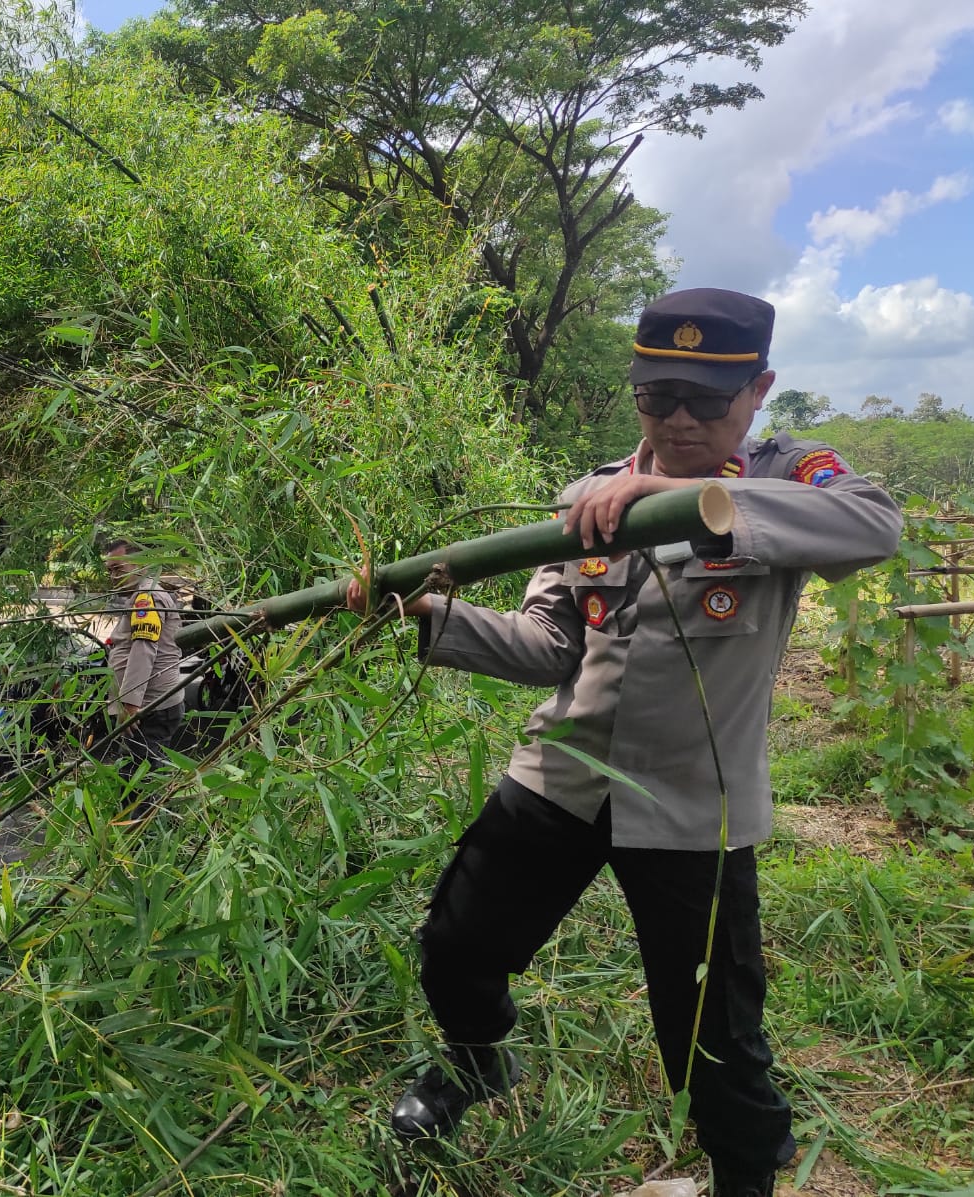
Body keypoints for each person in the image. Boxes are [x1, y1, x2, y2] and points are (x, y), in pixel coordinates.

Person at [345, 288, 902, 1197]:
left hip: (693, 803)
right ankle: (478, 1065)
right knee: (456, 945)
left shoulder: (793, 475)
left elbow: (874, 526)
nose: (679, 419)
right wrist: (429, 613)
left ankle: (741, 1178)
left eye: (705, 400)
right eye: (657, 397)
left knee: (714, 1033)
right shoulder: (587, 500)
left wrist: (679, 495)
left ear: (757, 390)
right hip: (561, 775)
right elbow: (551, 647)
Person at [102, 537, 186, 777]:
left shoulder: (146, 598)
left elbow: (143, 649)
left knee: (139, 782)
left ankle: (142, 816)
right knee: (143, 776)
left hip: (148, 708)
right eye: (110, 571)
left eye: (119, 568)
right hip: (149, 705)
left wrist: (130, 704)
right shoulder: (142, 594)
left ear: (142, 564)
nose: (114, 576)